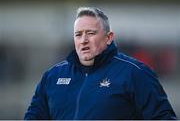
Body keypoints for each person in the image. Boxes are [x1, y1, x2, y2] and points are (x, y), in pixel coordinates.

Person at [24, 7, 177, 120]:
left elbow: (163, 117)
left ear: (109, 37)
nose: (83, 40)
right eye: (78, 34)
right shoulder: (53, 76)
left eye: (90, 33)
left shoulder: (135, 73)